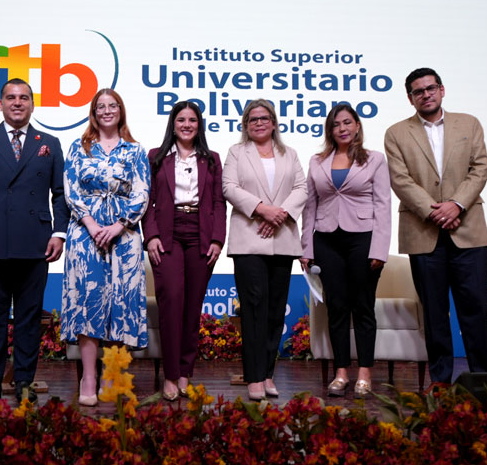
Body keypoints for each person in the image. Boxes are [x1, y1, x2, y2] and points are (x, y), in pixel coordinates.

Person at [0, 78, 69, 404]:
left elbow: (59, 194)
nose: (17, 102)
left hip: (35, 243)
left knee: (29, 318)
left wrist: (59, 233)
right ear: (1, 104)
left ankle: (24, 382)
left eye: (23, 97)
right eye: (10, 97)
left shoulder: (49, 142)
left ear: (32, 104)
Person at [384, 67, 487, 385]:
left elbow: (480, 168)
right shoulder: (396, 133)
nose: (426, 94)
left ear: (442, 90)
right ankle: (441, 382)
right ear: (410, 98)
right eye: (418, 91)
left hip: (468, 231)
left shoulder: (469, 123)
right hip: (424, 233)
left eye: (431, 88)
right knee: (434, 314)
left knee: (475, 310)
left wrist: (456, 205)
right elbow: (400, 180)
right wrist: (435, 212)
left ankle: (486, 382)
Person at [60, 89, 150, 407]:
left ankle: (113, 374)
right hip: (86, 235)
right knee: (89, 302)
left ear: (121, 111)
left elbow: (141, 192)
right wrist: (92, 224)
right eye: (102, 106)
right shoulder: (79, 146)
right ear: (94, 112)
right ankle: (89, 377)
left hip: (124, 237)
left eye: (113, 106)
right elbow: (70, 188)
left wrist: (118, 225)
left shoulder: (136, 150)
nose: (107, 110)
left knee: (121, 303)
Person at [299, 104, 391, 398]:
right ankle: (341, 372)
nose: (342, 128)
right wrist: (306, 247)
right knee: (336, 307)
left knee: (362, 307)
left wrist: (380, 249)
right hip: (326, 240)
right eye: (336, 124)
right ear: (330, 130)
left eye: (347, 123)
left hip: (363, 239)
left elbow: (383, 206)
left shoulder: (375, 160)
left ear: (357, 126)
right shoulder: (317, 161)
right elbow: (310, 206)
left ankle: (365, 372)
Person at [222, 99, 307, 401]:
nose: (258, 122)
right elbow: (229, 187)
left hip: (282, 238)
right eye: (252, 119)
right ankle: (254, 377)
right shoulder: (236, 152)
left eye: (264, 117)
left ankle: (268, 374)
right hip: (249, 239)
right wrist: (262, 210)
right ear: (245, 125)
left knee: (274, 312)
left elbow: (302, 189)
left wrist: (279, 213)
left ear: (273, 122)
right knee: (254, 309)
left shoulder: (290, 153)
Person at [142, 101, 226, 401]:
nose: (187, 124)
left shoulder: (212, 159)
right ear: (173, 124)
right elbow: (147, 201)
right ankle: (171, 374)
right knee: (172, 301)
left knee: (192, 307)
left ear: (199, 125)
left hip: (201, 235)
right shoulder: (156, 157)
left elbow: (218, 203)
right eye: (181, 119)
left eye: (192, 120)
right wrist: (149, 235)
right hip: (167, 234)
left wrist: (217, 239)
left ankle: (186, 373)